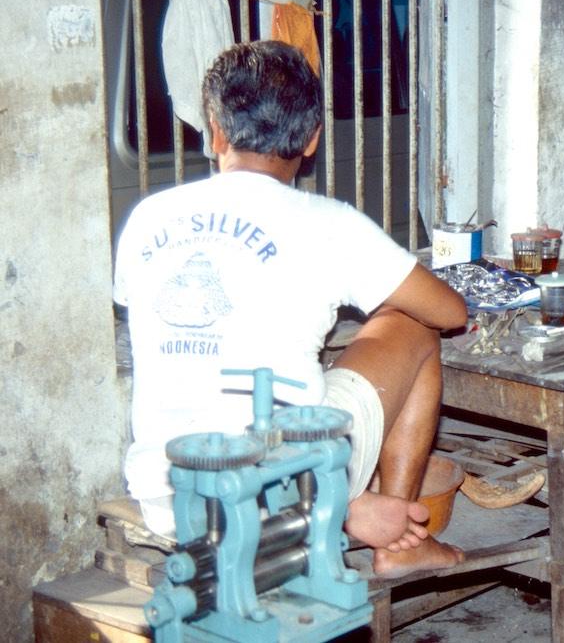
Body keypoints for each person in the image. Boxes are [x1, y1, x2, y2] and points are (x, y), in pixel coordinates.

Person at [113, 40, 468, 579]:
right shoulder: (330, 224)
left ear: (216, 131)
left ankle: (354, 506)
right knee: (411, 327)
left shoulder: (148, 216)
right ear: (312, 138)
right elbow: (449, 312)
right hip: (279, 491)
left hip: (167, 496)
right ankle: (391, 537)